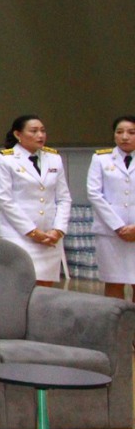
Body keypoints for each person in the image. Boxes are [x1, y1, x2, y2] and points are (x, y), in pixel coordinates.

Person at [0, 115, 72, 286]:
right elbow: (4, 199)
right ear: (18, 134)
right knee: (20, 285)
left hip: (49, 235)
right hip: (18, 234)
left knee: (45, 288)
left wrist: (58, 230)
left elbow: (63, 198)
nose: (40, 135)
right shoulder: (5, 159)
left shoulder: (54, 158)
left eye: (43, 131)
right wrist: (32, 232)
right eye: (34, 131)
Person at [87, 115, 135, 300]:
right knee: (114, 281)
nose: (125, 137)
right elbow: (94, 194)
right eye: (119, 132)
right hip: (110, 232)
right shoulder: (101, 158)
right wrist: (118, 226)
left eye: (131, 132)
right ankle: (115, 319)